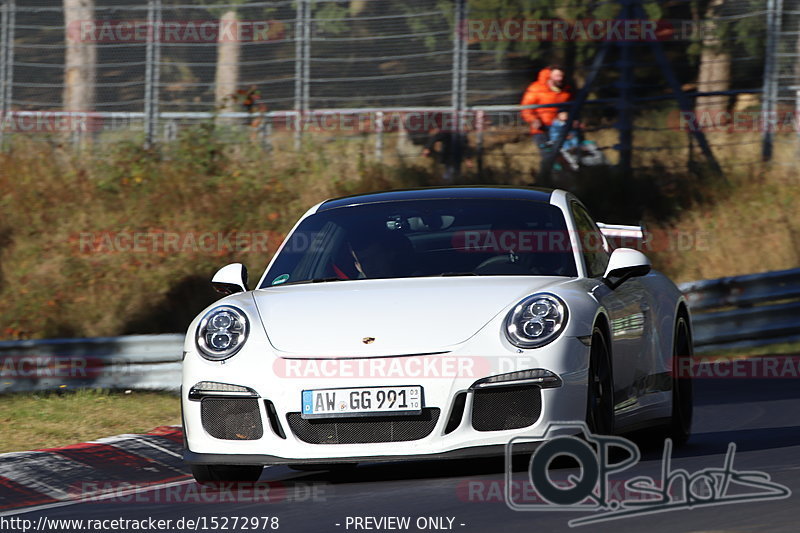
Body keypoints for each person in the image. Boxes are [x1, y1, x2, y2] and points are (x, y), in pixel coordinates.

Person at [520, 66, 573, 150]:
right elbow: (526, 108)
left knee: (569, 154)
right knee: (548, 156)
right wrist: (533, 120)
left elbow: (572, 107)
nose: (560, 79)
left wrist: (570, 117)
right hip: (542, 130)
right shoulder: (536, 88)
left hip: (561, 128)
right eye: (557, 76)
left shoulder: (566, 89)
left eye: (561, 76)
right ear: (549, 76)